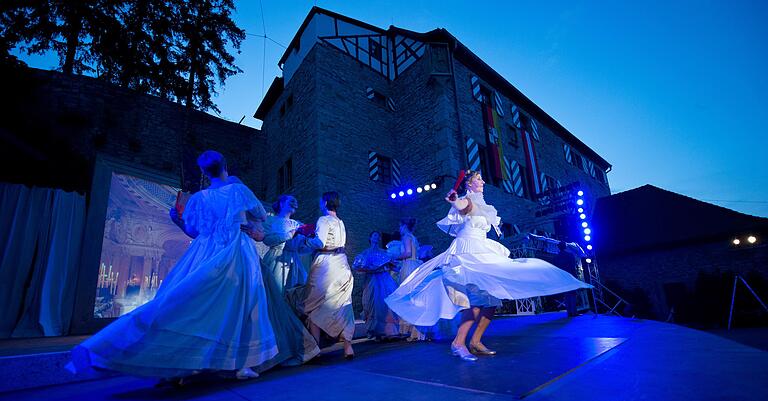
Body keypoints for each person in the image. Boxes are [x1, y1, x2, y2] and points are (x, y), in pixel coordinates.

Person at [68, 150, 278, 381]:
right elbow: (261, 214)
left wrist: (176, 219)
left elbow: (193, 231)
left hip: (205, 251)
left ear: (203, 172)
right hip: (236, 250)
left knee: (191, 303)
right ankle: (242, 365)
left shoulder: (198, 198)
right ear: (225, 165)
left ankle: (179, 358)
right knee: (245, 303)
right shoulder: (238, 190)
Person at [386, 170, 592, 361]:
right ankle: (459, 343)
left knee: (492, 302)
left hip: (483, 250)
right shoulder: (467, 201)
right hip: (468, 252)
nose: (483, 182)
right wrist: (455, 200)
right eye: (478, 179)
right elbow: (463, 207)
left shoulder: (484, 206)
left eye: (482, 179)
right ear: (469, 183)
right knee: (475, 302)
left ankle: (475, 341)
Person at [288, 191, 355, 359]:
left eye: (320, 201)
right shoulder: (340, 222)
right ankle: (348, 347)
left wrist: (304, 240)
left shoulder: (324, 220)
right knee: (343, 304)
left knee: (314, 303)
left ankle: (315, 349)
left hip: (326, 264)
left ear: (325, 202)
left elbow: (320, 242)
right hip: (342, 263)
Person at [353, 231, 400, 340]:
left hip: (383, 279)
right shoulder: (365, 253)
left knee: (383, 304)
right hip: (371, 280)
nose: (376, 237)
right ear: (370, 238)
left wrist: (386, 265)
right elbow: (359, 267)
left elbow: (393, 266)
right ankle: (375, 331)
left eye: (378, 236)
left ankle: (388, 331)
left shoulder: (384, 252)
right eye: (374, 235)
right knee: (372, 304)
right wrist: (368, 267)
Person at [262, 195, 309, 294]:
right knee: (276, 291)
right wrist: (289, 235)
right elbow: (267, 240)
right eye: (291, 202)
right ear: (282, 203)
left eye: (295, 203)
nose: (294, 204)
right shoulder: (271, 220)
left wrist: (310, 243)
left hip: (294, 262)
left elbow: (301, 249)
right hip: (276, 259)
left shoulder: (298, 224)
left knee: (295, 293)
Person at [553, 241, 579, 317]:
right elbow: (572, 267)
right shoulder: (570, 255)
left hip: (562, 278)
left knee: (566, 294)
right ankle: (574, 312)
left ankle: (569, 312)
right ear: (565, 247)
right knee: (572, 294)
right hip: (570, 276)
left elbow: (556, 269)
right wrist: (575, 277)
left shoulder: (556, 258)